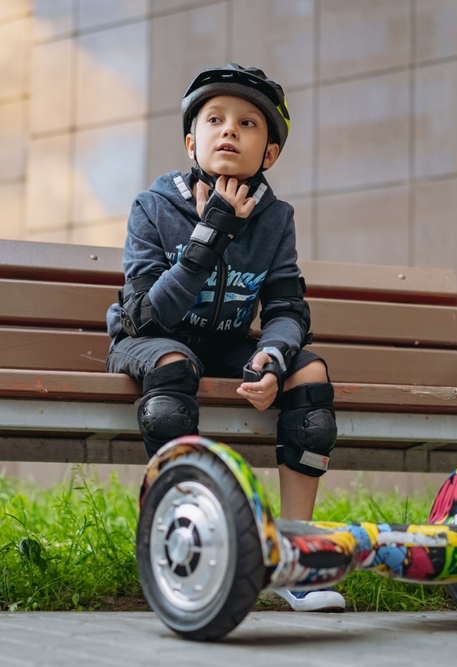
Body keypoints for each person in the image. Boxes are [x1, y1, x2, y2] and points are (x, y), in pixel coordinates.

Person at [105, 64, 343, 613]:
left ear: (270, 154)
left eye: (247, 123)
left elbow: (286, 308)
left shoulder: (275, 219)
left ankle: (296, 557)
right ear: (192, 141)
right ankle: (179, 546)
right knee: (173, 365)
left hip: (228, 343)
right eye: (215, 119)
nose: (229, 130)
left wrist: (273, 354)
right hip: (150, 342)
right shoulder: (153, 207)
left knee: (310, 375)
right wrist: (210, 231)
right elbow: (148, 316)